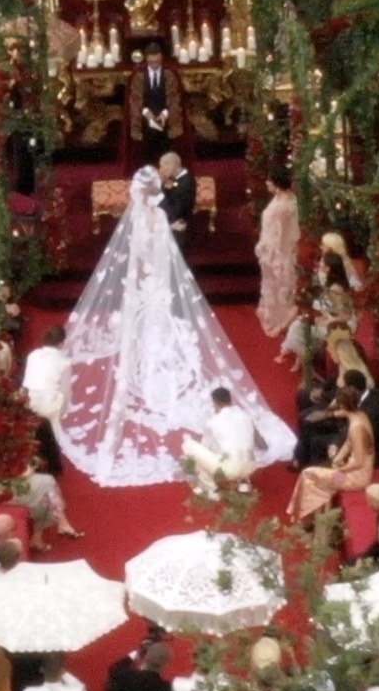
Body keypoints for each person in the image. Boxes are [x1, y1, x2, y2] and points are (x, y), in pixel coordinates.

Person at [57, 165, 295, 487]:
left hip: (144, 287)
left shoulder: (139, 219)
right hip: (158, 286)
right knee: (161, 330)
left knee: (145, 332)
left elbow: (135, 257)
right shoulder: (158, 217)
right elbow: (165, 255)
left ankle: (147, 365)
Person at [286, 386, 375, 525]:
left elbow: (359, 462)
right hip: (350, 468)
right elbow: (348, 443)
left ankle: (307, 521)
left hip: (356, 476)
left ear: (343, 405)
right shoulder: (359, 415)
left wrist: (339, 469)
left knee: (307, 474)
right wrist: (338, 458)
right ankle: (316, 521)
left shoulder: (356, 427)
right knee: (319, 477)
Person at [180, 386, 258, 498]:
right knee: (240, 446)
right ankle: (244, 483)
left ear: (215, 403)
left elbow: (205, 447)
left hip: (229, 470)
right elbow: (254, 441)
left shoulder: (213, 422)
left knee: (188, 445)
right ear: (230, 400)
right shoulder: (245, 416)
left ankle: (209, 489)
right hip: (251, 466)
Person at [255, 166, 300, 338]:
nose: (266, 183)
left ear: (276, 183)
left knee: (282, 285)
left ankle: (283, 322)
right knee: (275, 285)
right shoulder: (283, 198)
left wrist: (275, 254)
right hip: (272, 249)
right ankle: (278, 317)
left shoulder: (283, 206)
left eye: (269, 180)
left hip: (279, 252)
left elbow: (281, 233)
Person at [125, 42, 184, 168]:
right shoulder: (139, 76)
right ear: (147, 60)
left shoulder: (169, 75)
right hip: (145, 116)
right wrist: (146, 113)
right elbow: (135, 99)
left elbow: (174, 98)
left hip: (166, 114)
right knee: (150, 134)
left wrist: (164, 114)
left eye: (158, 61)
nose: (155, 65)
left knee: (164, 135)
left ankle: (166, 167)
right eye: (152, 62)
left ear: (161, 58)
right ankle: (149, 167)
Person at [21, 325, 70, 476]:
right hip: (47, 401)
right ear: (62, 343)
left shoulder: (33, 354)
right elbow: (66, 389)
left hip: (26, 398)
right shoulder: (65, 362)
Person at [14, 456, 83, 550]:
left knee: (48, 491)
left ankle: (62, 523)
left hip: (13, 486)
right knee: (47, 493)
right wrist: (29, 470)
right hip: (11, 492)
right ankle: (60, 524)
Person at [158, 151, 196, 249]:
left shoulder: (186, 182)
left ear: (171, 165)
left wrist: (158, 195)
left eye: (162, 166)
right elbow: (174, 187)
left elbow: (176, 211)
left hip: (179, 231)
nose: (161, 170)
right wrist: (165, 184)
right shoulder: (178, 179)